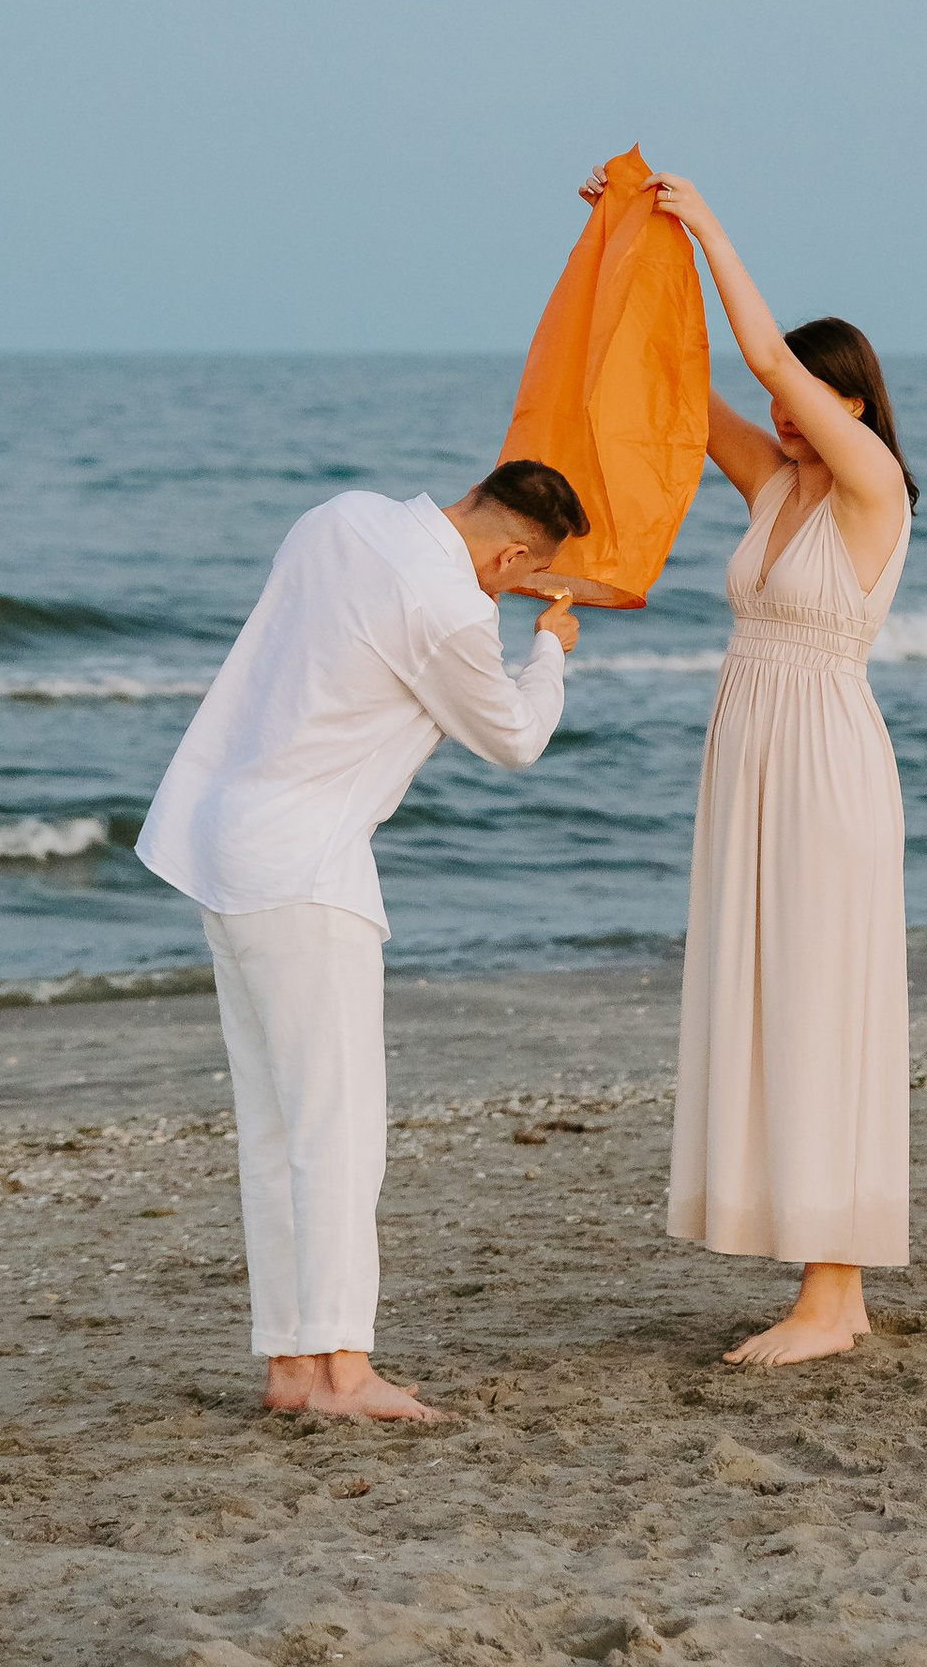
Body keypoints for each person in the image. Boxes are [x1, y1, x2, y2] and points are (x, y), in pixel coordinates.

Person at [136, 459, 588, 1422]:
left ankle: (290, 1369)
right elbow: (512, 737)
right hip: (305, 870)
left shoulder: (338, 518)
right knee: (337, 1132)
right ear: (512, 553)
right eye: (515, 575)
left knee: (274, 1128)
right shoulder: (450, 611)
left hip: (222, 837)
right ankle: (343, 1373)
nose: (506, 589)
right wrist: (547, 648)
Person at [641, 172, 918, 1366]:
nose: (792, 417)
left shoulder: (868, 489)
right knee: (770, 1002)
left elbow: (756, 359)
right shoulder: (778, 485)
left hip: (823, 768)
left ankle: (830, 1291)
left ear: (857, 405)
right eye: (795, 404)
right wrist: (632, 267)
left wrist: (703, 226)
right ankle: (834, 1297)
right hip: (750, 759)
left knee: (822, 1010)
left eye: (815, 398)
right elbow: (687, 396)